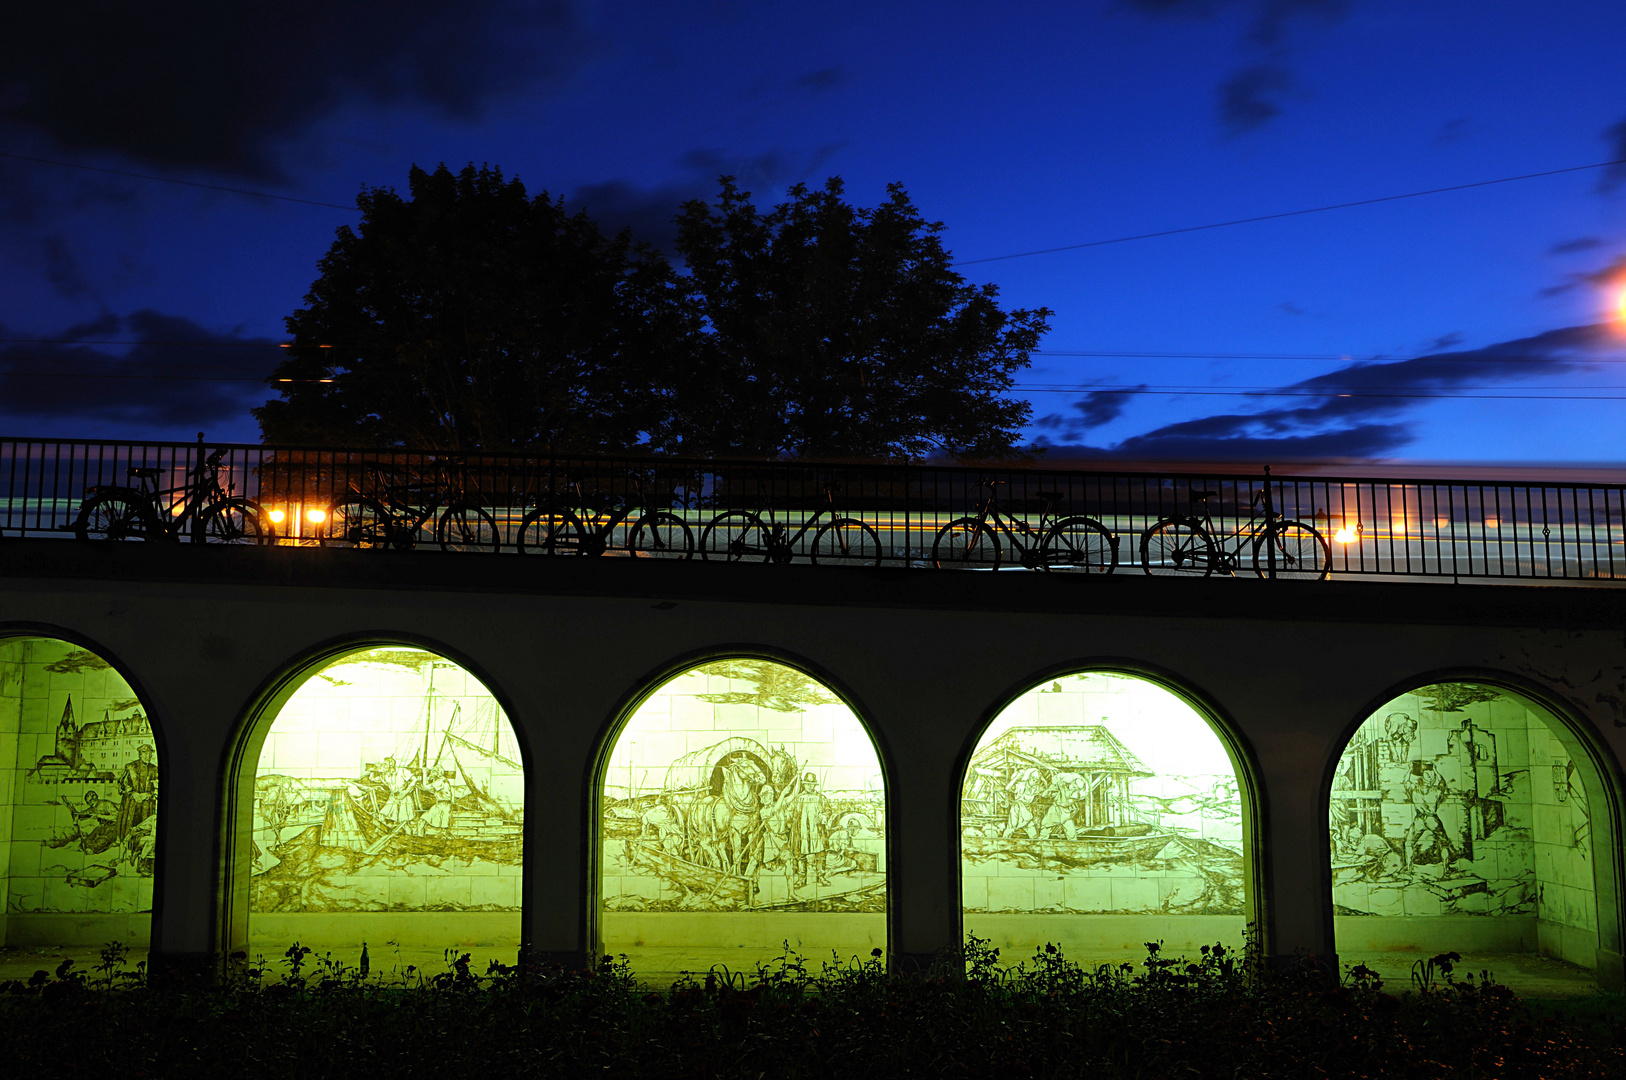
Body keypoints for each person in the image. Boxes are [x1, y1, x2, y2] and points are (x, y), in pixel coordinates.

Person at [788, 772, 829, 888]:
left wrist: (822, 817)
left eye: (812, 784)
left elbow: (828, 811)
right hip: (802, 831)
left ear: (815, 785)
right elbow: (791, 813)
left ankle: (820, 876)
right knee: (801, 855)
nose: (810, 786)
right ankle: (801, 878)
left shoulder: (821, 798)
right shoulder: (798, 798)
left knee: (820, 854)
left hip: (817, 831)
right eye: (807, 784)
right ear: (804, 785)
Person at [114, 743, 159, 843]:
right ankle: (124, 840)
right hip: (131, 801)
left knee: (144, 825)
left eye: (150, 754)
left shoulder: (155, 769)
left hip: (147, 802)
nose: (148, 756)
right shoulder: (131, 767)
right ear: (140, 754)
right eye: (145, 753)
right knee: (129, 822)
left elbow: (157, 787)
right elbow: (122, 784)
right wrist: (133, 794)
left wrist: (148, 795)